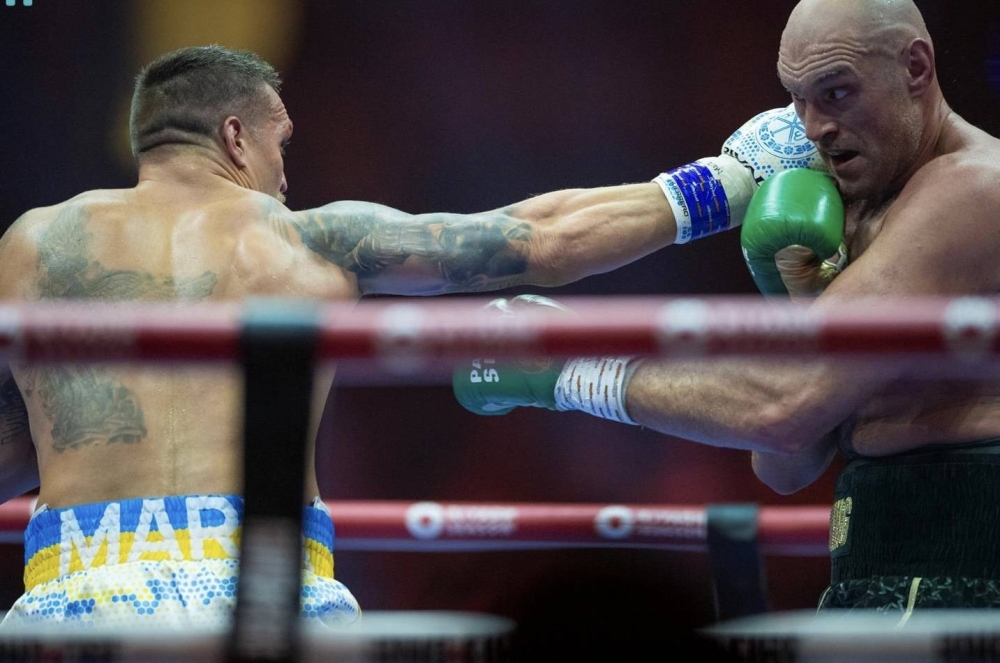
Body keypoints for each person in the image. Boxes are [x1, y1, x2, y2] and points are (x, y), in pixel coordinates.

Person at [0, 43, 821, 628]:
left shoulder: (34, 245)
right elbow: (537, 238)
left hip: (80, 585)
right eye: (282, 146)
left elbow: (14, 449)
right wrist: (730, 180)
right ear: (235, 137)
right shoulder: (307, 239)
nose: (285, 178)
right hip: (266, 586)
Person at [455, 0, 1000, 615]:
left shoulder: (971, 190)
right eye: (798, 100)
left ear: (916, 68)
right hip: (876, 569)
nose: (814, 127)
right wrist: (800, 298)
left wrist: (569, 371)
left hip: (963, 572)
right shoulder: (867, 210)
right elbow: (787, 464)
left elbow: (780, 408)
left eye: (836, 93)